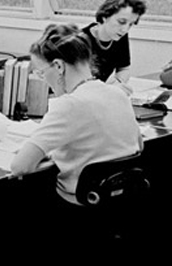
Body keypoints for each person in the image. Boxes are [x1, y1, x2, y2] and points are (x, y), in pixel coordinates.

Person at [10, 23, 142, 204]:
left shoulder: (68, 105)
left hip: (77, 203)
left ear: (58, 66)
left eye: (41, 73)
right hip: (122, 200)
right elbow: (137, 147)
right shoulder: (118, 93)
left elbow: (20, 167)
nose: (44, 80)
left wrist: (40, 152)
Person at [82, 0, 146, 85]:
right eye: (121, 22)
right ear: (105, 16)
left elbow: (124, 68)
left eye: (131, 24)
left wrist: (118, 83)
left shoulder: (119, 36)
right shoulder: (80, 40)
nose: (125, 29)